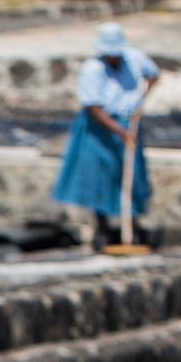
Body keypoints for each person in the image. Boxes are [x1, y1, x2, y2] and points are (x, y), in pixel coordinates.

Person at [51, 22, 160, 247]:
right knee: (100, 176)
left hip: (128, 123)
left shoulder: (134, 58)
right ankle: (102, 229)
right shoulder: (92, 69)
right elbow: (93, 108)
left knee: (132, 175)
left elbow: (153, 75)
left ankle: (134, 226)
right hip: (100, 126)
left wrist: (140, 101)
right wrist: (119, 131)